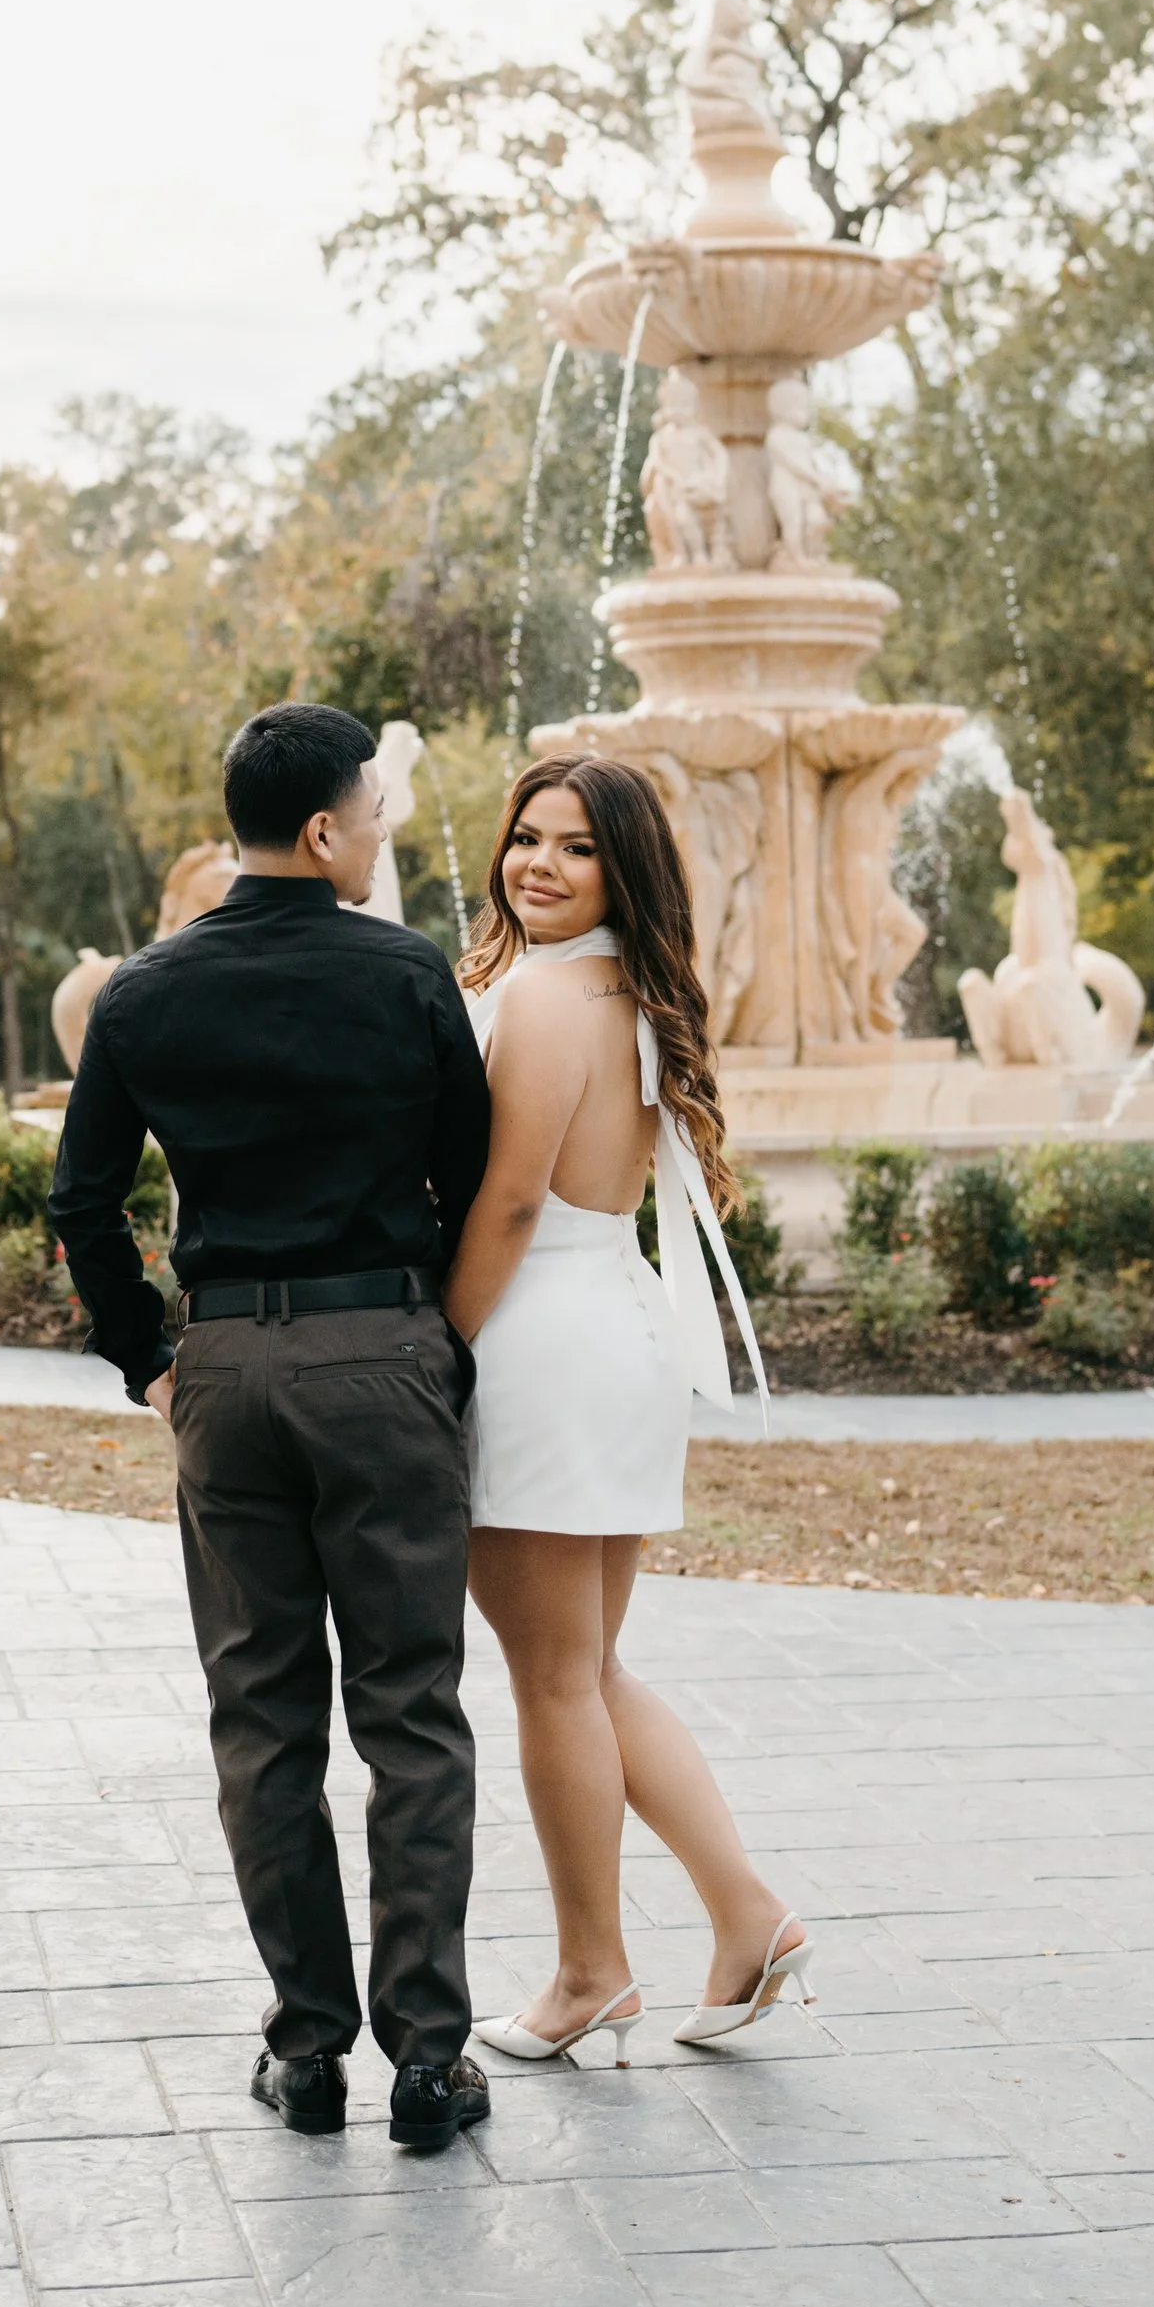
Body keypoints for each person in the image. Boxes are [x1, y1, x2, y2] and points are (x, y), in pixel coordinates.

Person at [49, 701, 496, 2154]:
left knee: (263, 1719)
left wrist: (151, 1361)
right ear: (321, 830)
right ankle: (430, 2056)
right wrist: (430, 1342)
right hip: (384, 1352)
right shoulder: (406, 972)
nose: (384, 833)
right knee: (412, 1712)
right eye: (374, 812)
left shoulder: (144, 994)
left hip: (229, 1371)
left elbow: (83, 1201)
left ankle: (309, 2051)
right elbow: (470, 1173)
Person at [447, 754, 814, 2063]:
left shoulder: (547, 996)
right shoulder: (634, 989)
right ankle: (748, 1913)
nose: (537, 863)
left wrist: (443, 1348)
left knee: (553, 1678)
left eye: (576, 847)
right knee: (588, 1668)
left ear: (625, 867)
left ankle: (591, 1970)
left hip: (540, 1335)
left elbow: (508, 1199)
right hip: (618, 1324)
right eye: (525, 837)